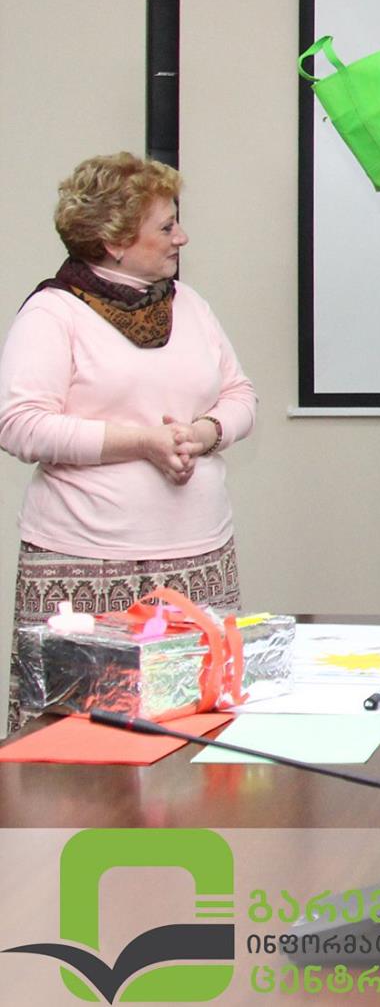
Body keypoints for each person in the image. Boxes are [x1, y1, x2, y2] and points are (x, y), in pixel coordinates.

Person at [1, 154, 257, 733]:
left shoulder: (190, 304)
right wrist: (143, 442)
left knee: (197, 736)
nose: (181, 237)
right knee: (78, 749)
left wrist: (203, 433)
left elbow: (240, 394)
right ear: (115, 242)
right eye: (166, 226)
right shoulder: (53, 313)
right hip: (85, 571)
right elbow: (19, 424)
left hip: (201, 564)